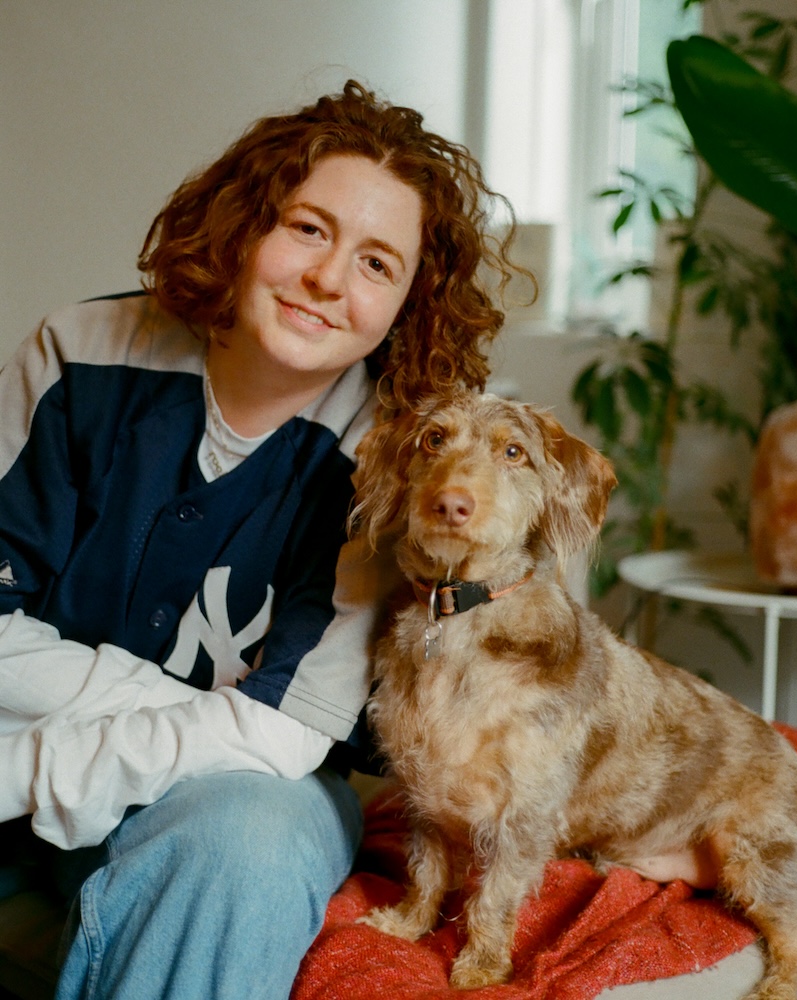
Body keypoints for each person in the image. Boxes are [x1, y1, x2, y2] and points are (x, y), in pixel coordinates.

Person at [0, 81, 524, 999]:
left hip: (230, 787)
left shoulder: (395, 458)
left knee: (249, 836)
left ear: (410, 302)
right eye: (309, 228)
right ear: (245, 224)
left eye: (377, 264)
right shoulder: (73, 353)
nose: (329, 279)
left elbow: (284, 735)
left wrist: (32, 768)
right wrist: (145, 698)